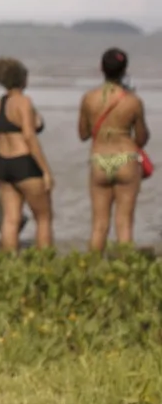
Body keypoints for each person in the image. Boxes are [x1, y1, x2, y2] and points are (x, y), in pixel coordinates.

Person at [78, 48, 151, 252]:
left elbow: (83, 134)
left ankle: (91, 273)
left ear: (101, 68)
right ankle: (126, 274)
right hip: (126, 158)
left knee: (99, 225)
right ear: (125, 70)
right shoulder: (133, 101)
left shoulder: (88, 98)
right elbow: (142, 138)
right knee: (124, 224)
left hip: (99, 159)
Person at [0, 57, 53, 251]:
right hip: (24, 162)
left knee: (10, 219)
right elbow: (30, 137)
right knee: (44, 217)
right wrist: (46, 171)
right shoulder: (24, 102)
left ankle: (9, 265)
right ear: (23, 78)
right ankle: (46, 266)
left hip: (2, 164)